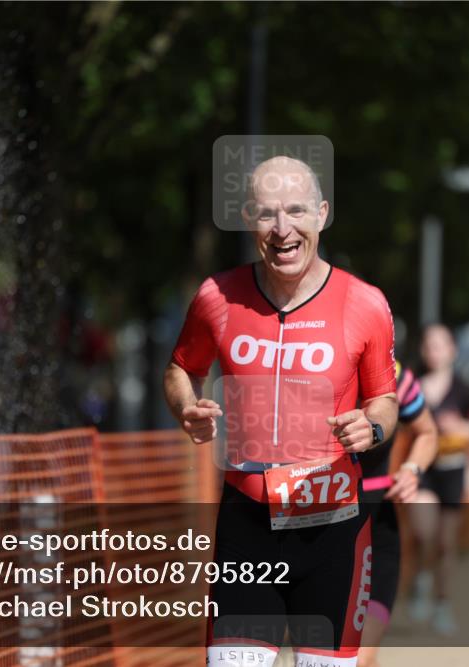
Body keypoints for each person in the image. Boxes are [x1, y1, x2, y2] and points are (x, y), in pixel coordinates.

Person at [164, 156, 402, 666]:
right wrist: (187, 408)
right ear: (250, 218)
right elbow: (180, 369)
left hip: (333, 531)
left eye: (296, 211)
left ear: (321, 214)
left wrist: (374, 425)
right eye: (268, 214)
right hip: (246, 528)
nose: (282, 229)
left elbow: (385, 397)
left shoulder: (365, 303)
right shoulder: (217, 296)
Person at [407, 324, 469, 637]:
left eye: (440, 344)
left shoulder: (463, 390)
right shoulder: (411, 385)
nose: (434, 350)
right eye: (429, 345)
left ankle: (442, 604)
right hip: (422, 469)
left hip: (453, 471)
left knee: (447, 543)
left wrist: (460, 428)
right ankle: (420, 575)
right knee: (423, 530)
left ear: (452, 351)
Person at [356, 362, 438, 667]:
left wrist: (411, 470)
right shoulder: (309, 365)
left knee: (362, 657)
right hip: (311, 525)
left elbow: (427, 432)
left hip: (377, 520)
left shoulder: (396, 375)